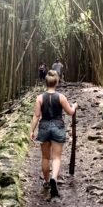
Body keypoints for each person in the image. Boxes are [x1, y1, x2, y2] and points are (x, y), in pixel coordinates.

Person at [29, 69, 77, 197]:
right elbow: (70, 112)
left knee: (45, 157)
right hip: (57, 127)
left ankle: (46, 181)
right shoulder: (61, 97)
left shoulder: (39, 98)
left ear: (46, 82)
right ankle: (54, 179)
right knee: (56, 157)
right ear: (56, 82)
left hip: (44, 127)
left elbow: (36, 116)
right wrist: (75, 106)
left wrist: (32, 131)